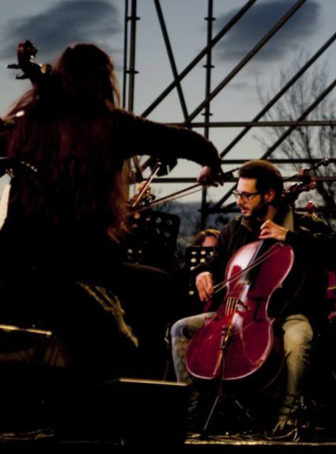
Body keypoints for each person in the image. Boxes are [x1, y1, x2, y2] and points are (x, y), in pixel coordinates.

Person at [0, 43, 223, 381]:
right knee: (158, 287)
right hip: (81, 259)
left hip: (19, 258)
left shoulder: (28, 123)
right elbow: (183, 140)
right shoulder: (112, 124)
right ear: (104, 80)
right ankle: (141, 385)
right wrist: (210, 163)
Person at [170, 159, 336, 436]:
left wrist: (289, 236)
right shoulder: (234, 231)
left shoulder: (303, 225)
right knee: (181, 328)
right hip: (238, 312)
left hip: (288, 313)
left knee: (298, 341)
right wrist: (201, 273)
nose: (240, 201)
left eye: (246, 195)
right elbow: (213, 264)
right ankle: (193, 414)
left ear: (270, 195)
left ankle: (287, 419)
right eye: (238, 193)